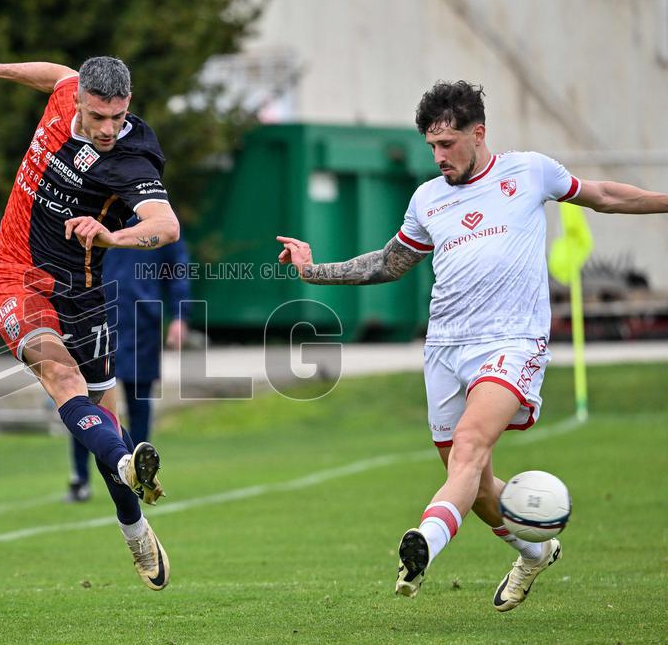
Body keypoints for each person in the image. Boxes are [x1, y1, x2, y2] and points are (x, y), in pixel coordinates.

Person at [276, 81, 668, 611]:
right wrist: (314, 272)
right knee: (475, 485)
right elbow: (389, 263)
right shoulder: (427, 200)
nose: (438, 157)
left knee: (468, 446)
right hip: (444, 348)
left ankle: (424, 545)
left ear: (477, 133)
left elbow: (604, 195)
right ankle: (534, 548)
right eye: (431, 147)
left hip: (512, 341)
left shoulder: (530, 171)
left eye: (447, 145)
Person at [0, 57, 181, 590]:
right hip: (13, 277)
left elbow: (165, 226)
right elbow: (55, 73)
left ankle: (134, 524)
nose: (108, 129)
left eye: (118, 116)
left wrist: (113, 236)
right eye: (99, 116)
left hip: (81, 292)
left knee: (107, 416)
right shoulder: (65, 94)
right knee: (62, 379)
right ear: (80, 102)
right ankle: (126, 474)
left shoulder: (130, 157)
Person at [65, 231, 191, 503]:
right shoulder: (92, 218)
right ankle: (80, 479)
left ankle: (139, 475)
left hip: (140, 323)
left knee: (139, 402)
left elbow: (177, 270)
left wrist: (180, 315)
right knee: (86, 403)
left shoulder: (155, 222)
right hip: (95, 324)